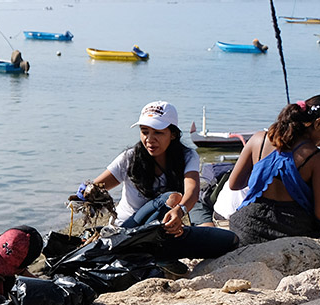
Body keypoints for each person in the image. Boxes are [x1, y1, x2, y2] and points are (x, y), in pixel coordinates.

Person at [86, 100, 238, 261]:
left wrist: (179, 213)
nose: (150, 139)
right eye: (145, 132)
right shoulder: (129, 158)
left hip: (164, 229)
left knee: (228, 239)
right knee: (172, 197)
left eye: (158, 132)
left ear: (172, 134)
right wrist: (86, 192)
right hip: (128, 231)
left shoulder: (187, 156)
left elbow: (192, 192)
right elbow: (96, 187)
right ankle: (154, 255)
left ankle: (157, 255)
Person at [227, 94, 320, 245]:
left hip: (247, 226)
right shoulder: (317, 158)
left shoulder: (259, 138)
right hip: (290, 229)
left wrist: (266, 174)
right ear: (318, 123)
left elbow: (235, 184)